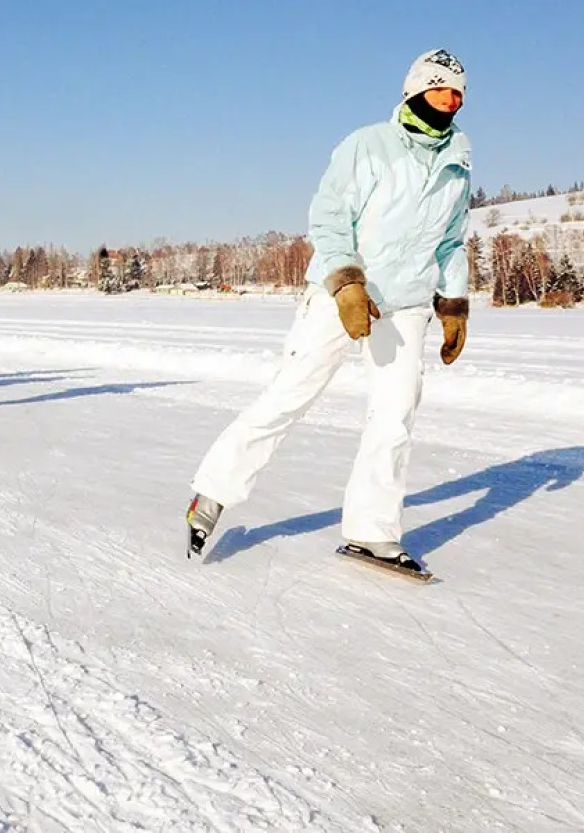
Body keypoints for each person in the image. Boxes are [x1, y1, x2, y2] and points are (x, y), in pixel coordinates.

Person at [185, 50, 473, 575]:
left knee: (395, 415)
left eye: (458, 93)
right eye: (441, 89)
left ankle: (372, 532)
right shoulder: (368, 146)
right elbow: (329, 217)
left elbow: (451, 242)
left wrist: (452, 303)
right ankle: (211, 494)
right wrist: (345, 283)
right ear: (415, 91)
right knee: (290, 395)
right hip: (341, 295)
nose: (451, 100)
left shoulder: (459, 162)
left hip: (406, 303)